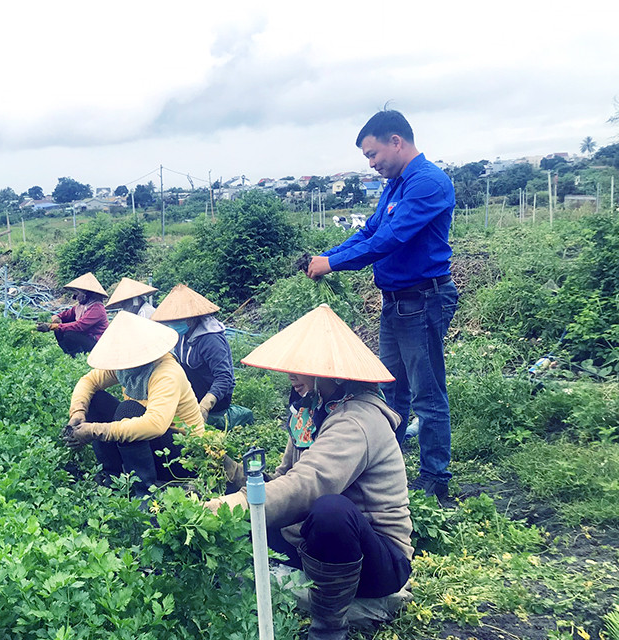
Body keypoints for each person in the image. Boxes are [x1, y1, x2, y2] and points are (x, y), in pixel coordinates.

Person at [207, 304, 412, 640]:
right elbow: (285, 477)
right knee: (243, 525)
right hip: (312, 541)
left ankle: (329, 629)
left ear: (329, 372)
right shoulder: (310, 412)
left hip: (374, 558)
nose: (292, 376)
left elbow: (308, 485)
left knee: (331, 510)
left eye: (301, 369)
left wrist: (227, 508)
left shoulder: (357, 419)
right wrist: (234, 474)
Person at [305, 109, 458, 500]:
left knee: (427, 394)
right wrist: (327, 256)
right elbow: (370, 231)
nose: (372, 165)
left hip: (423, 300)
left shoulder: (427, 183)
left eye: (373, 155)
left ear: (397, 141)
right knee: (391, 390)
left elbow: (390, 240)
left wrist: (333, 263)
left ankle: (435, 481)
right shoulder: (394, 185)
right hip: (395, 303)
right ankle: (389, 463)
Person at [61, 310, 205, 498]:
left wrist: (94, 430)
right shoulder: (126, 369)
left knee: (128, 410)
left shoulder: (166, 373)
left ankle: (145, 488)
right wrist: (78, 413)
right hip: (153, 445)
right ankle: (112, 475)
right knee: (96, 400)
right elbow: (88, 381)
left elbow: (154, 425)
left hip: (181, 454)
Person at [151, 284, 238, 426]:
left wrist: (205, 405)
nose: (172, 325)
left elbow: (224, 378)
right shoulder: (182, 334)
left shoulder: (211, 340)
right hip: (194, 387)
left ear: (191, 319)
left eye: (176, 321)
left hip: (215, 396)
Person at [36, 272, 109, 357]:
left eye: (77, 294)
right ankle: (70, 354)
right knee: (59, 330)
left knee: (69, 335)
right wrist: (57, 317)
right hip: (86, 336)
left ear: (86, 294)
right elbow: (67, 314)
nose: (76, 297)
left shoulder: (97, 308)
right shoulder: (81, 306)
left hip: (97, 342)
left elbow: (80, 326)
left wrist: (52, 326)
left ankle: (79, 356)